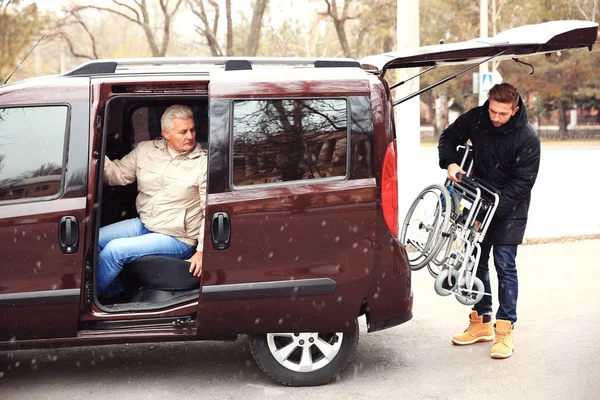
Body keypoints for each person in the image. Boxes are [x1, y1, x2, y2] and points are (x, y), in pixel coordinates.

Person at [438, 83, 540, 359]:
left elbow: (522, 184)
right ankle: (482, 323)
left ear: (514, 110)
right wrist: (450, 163)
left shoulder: (527, 137)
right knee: (477, 262)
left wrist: (490, 214)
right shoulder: (477, 118)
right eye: (493, 110)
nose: (495, 118)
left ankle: (505, 329)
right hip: (479, 200)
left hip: (510, 207)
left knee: (504, 264)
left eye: (502, 114)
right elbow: (448, 136)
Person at [97, 104, 208, 299]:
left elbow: (211, 211)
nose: (190, 136)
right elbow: (118, 175)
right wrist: (93, 151)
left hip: (177, 238)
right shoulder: (145, 150)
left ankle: (89, 304)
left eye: (192, 129)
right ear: (166, 133)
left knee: (114, 251)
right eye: (183, 132)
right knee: (93, 240)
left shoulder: (203, 163)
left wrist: (201, 251)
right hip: (146, 224)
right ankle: (114, 291)